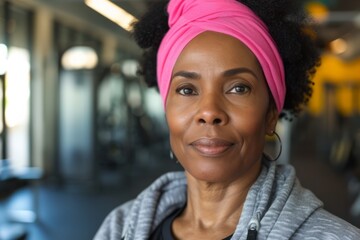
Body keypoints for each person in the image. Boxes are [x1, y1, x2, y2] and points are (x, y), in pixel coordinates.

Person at [94, 0, 360, 239]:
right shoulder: (119, 227)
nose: (209, 112)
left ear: (270, 115)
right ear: (167, 110)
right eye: (187, 90)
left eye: (238, 88)